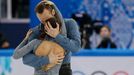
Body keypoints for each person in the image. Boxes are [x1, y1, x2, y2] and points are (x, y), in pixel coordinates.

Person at [13, 1, 81, 75]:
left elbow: (76, 48)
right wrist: (48, 59)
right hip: (44, 70)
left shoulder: (69, 24)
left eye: (47, 19)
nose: (46, 23)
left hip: (64, 70)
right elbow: (26, 59)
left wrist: (57, 36)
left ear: (53, 12)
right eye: (42, 21)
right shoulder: (35, 32)